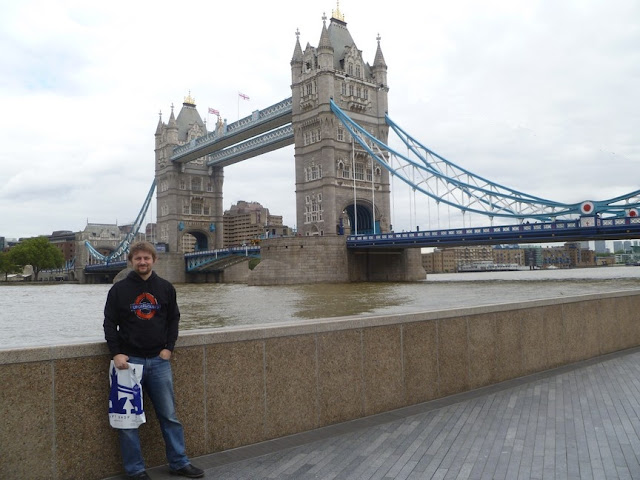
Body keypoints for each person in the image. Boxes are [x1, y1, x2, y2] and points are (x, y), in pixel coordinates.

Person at [103, 241, 204, 479]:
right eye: (138, 258)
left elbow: (173, 320)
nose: (142, 262)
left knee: (169, 416)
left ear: (154, 260)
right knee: (128, 421)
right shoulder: (118, 290)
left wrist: (169, 348)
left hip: (159, 362)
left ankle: (179, 462)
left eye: (146, 258)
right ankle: (135, 470)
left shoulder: (166, 288)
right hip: (129, 364)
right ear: (131, 261)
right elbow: (109, 323)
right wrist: (116, 353)